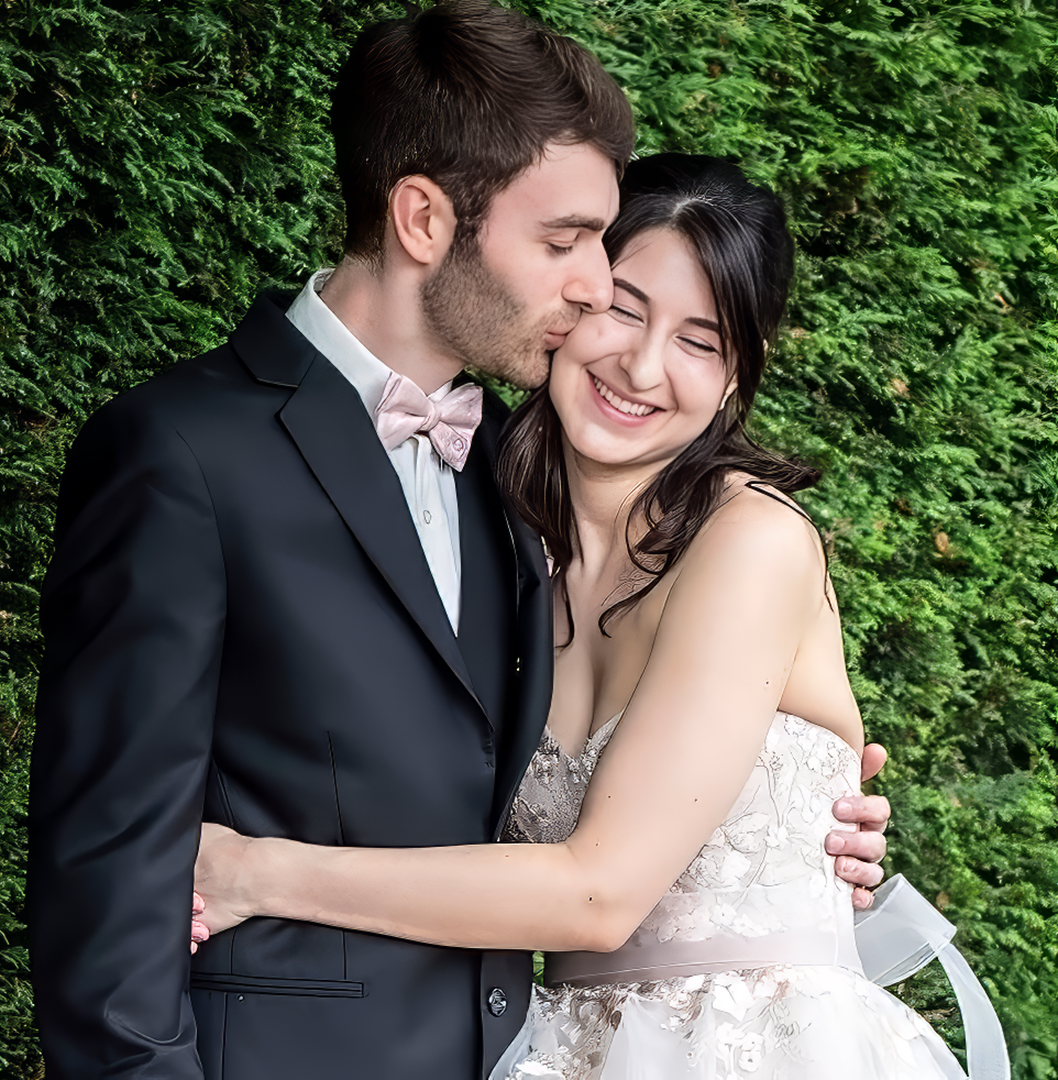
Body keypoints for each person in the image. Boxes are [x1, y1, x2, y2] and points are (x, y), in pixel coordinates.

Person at [28, 4, 888, 1079]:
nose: (587, 299)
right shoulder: (181, 454)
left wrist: (812, 837)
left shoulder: (500, 489)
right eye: (573, 249)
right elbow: (105, 879)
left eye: (700, 341)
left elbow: (604, 867)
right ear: (426, 221)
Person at [192, 154, 966, 1079]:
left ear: (734, 382)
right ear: (567, 301)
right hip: (557, 1047)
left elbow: (601, 894)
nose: (640, 366)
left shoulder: (750, 543)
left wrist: (253, 872)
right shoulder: (488, 546)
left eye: (700, 339)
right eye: (624, 307)